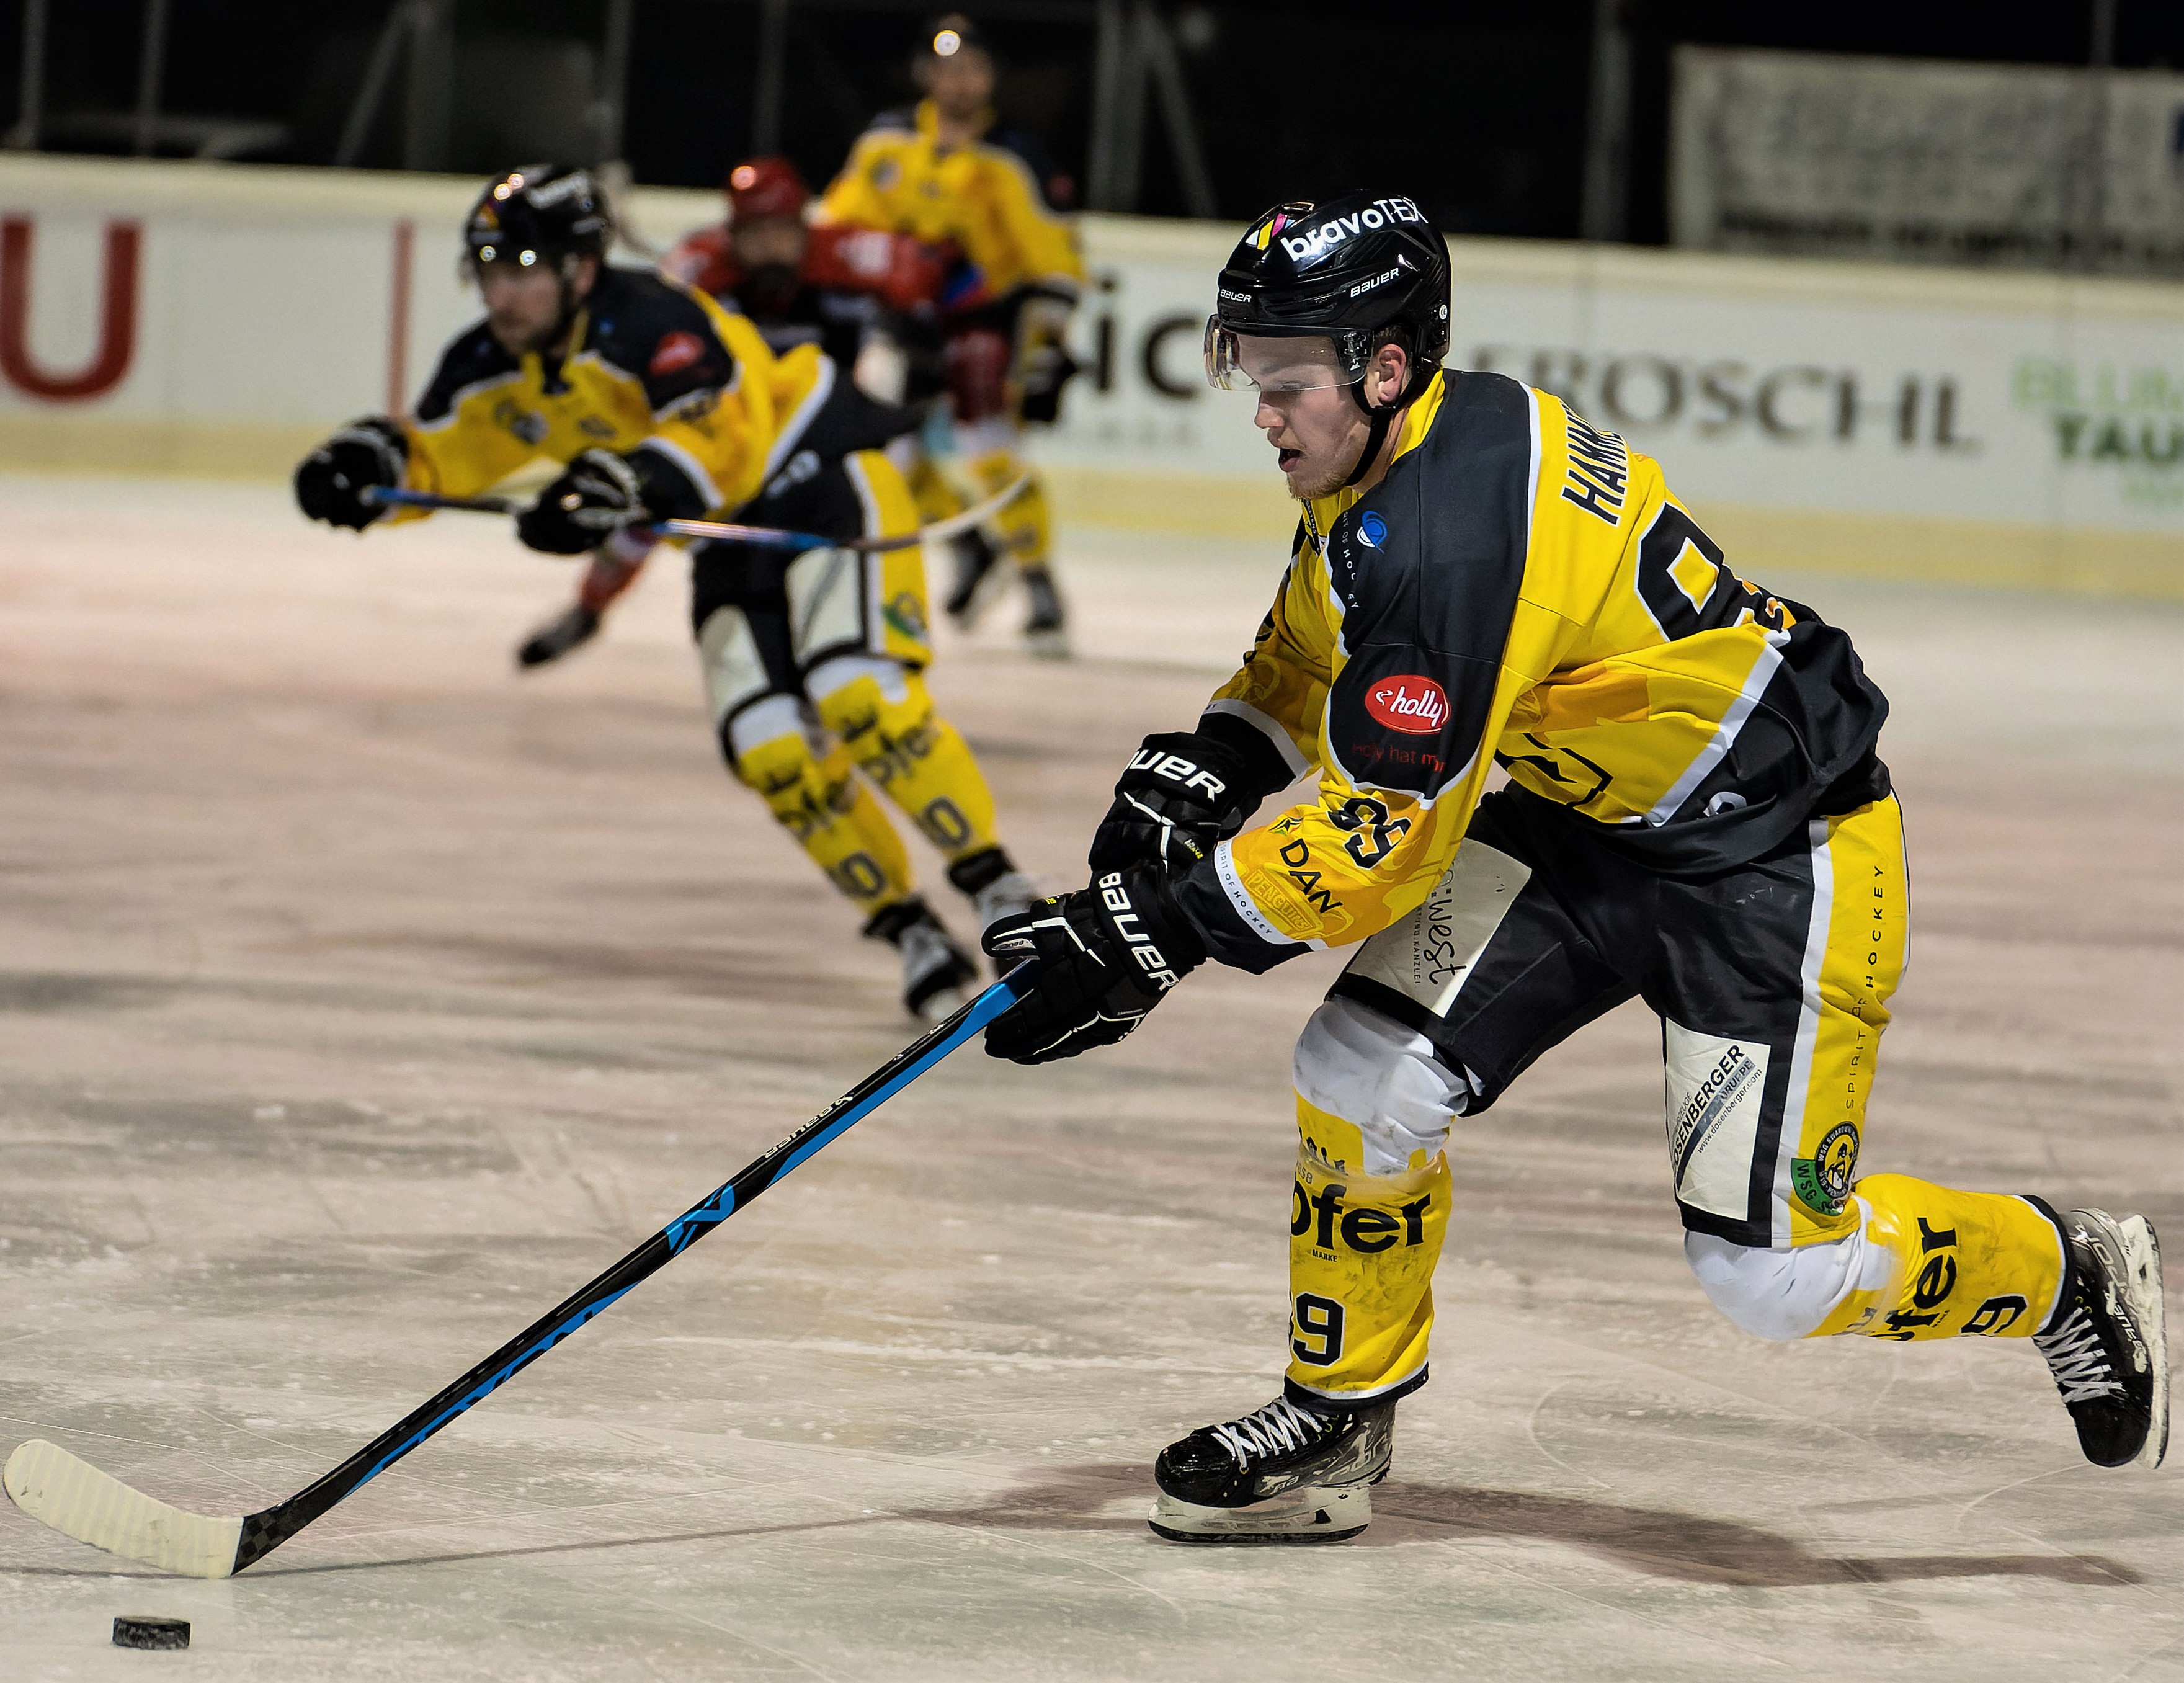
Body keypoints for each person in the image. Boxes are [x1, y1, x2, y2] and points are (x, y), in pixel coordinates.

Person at [980, 190, 2169, 1544]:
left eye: (1284, 378)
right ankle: (1336, 1414)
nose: (1261, 409)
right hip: (1581, 821)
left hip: (1772, 859)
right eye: (1245, 370)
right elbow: (1315, 645)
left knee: (1768, 1275)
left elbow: (1377, 846)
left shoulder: (1453, 535)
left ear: (1381, 364)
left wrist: (1155, 928)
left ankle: (2057, 1271)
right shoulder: (1395, 450)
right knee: (1358, 1075)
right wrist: (1213, 761)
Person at [292, 164, 1038, 1022]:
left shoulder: (654, 317)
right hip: (721, 531)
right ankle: (908, 928)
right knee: (768, 749)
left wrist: (624, 483)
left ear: (581, 267)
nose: (505, 290)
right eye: (491, 268)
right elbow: (444, 451)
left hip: (823, 475)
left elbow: (715, 434)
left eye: (526, 265)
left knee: (857, 693)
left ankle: (1000, 887)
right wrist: (372, 469)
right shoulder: (492, 361)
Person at [516, 155, 966, 669]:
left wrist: (936, 345)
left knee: (870, 487)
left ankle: (862, 628)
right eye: (756, 233)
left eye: (782, 230)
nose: (771, 246)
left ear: (805, 224)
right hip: (735, 432)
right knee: (650, 503)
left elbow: (943, 278)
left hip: (823, 428)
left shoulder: (851, 256)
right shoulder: (697, 269)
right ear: (732, 233)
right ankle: (589, 607)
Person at [819, 13, 1084, 658]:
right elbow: (835, 230)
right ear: (923, 74)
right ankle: (968, 545)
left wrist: (1046, 347)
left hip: (983, 324)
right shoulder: (885, 144)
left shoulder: (1015, 159)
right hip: (902, 323)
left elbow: (1055, 264)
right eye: (945, 66)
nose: (957, 80)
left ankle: (1037, 579)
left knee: (987, 451)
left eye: (970, 66)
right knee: (891, 461)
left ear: (991, 76)